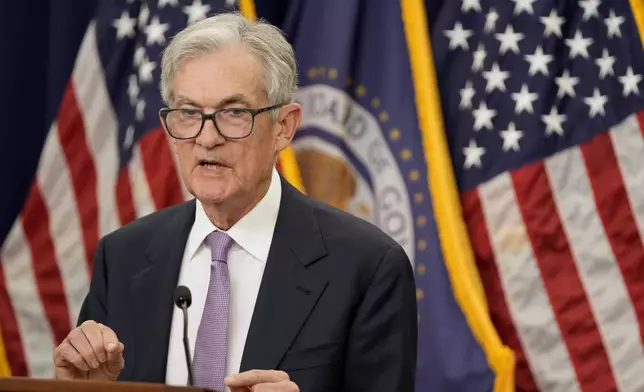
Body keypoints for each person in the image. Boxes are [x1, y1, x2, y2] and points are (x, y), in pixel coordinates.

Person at [52, 12, 418, 392]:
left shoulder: (368, 266)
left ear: (284, 127)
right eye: (188, 113)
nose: (206, 138)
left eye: (233, 113)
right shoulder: (123, 257)